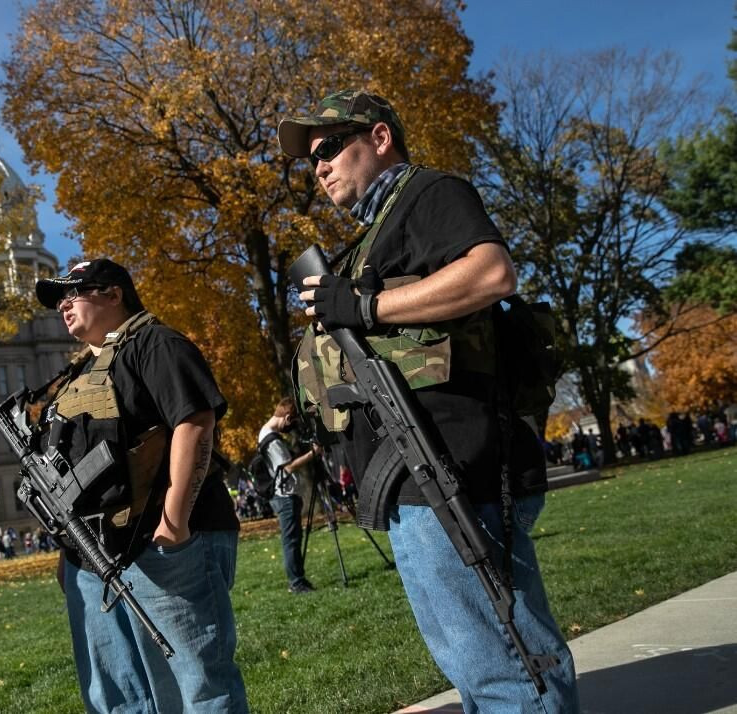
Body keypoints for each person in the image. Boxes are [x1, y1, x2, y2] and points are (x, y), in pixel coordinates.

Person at [279, 91, 579, 712]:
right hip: (418, 472)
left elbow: (493, 272)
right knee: (478, 663)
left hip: (452, 466)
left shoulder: (426, 193)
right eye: (311, 161)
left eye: (331, 148)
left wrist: (364, 307)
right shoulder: (370, 236)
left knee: (505, 663)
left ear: (380, 138)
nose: (320, 167)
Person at [32, 258, 248, 713]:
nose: (63, 306)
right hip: (91, 558)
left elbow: (195, 422)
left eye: (74, 293)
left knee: (196, 688)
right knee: (115, 696)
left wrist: (174, 522)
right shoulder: (77, 375)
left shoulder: (156, 343)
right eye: (58, 301)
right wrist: (69, 554)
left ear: (113, 294)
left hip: (162, 543)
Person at [257, 397, 318, 593]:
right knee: (291, 540)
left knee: (294, 538)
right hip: (284, 496)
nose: (291, 427)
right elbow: (287, 468)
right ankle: (296, 582)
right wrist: (313, 454)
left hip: (284, 495)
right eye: (293, 422)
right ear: (288, 416)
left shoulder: (267, 434)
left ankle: (299, 579)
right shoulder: (271, 439)